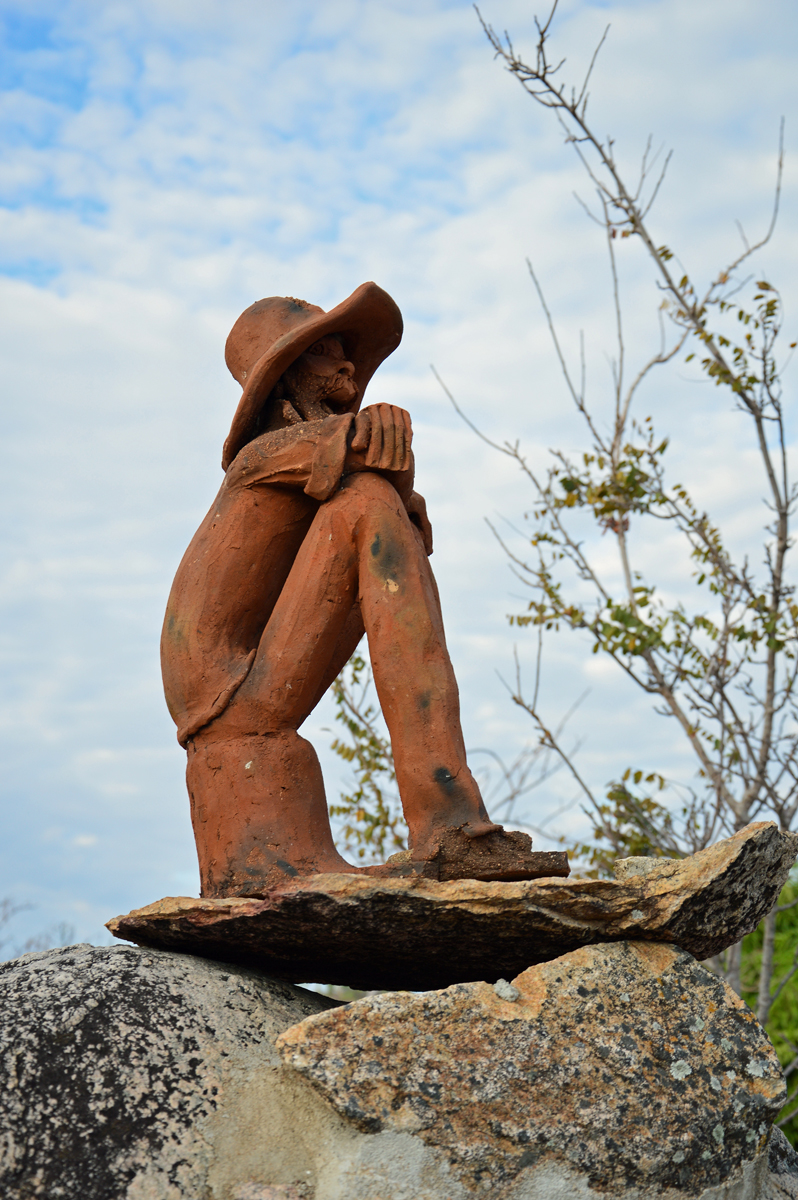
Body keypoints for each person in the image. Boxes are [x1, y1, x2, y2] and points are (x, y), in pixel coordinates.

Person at [161, 281, 509, 898]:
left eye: (346, 350)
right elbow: (364, 451)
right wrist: (381, 433)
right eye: (325, 352)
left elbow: (398, 499)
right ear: (286, 376)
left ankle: (451, 824)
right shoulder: (261, 459)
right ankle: (451, 822)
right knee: (370, 499)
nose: (347, 364)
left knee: (380, 507)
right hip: (221, 690)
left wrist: (398, 484)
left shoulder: (312, 470)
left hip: (247, 687)